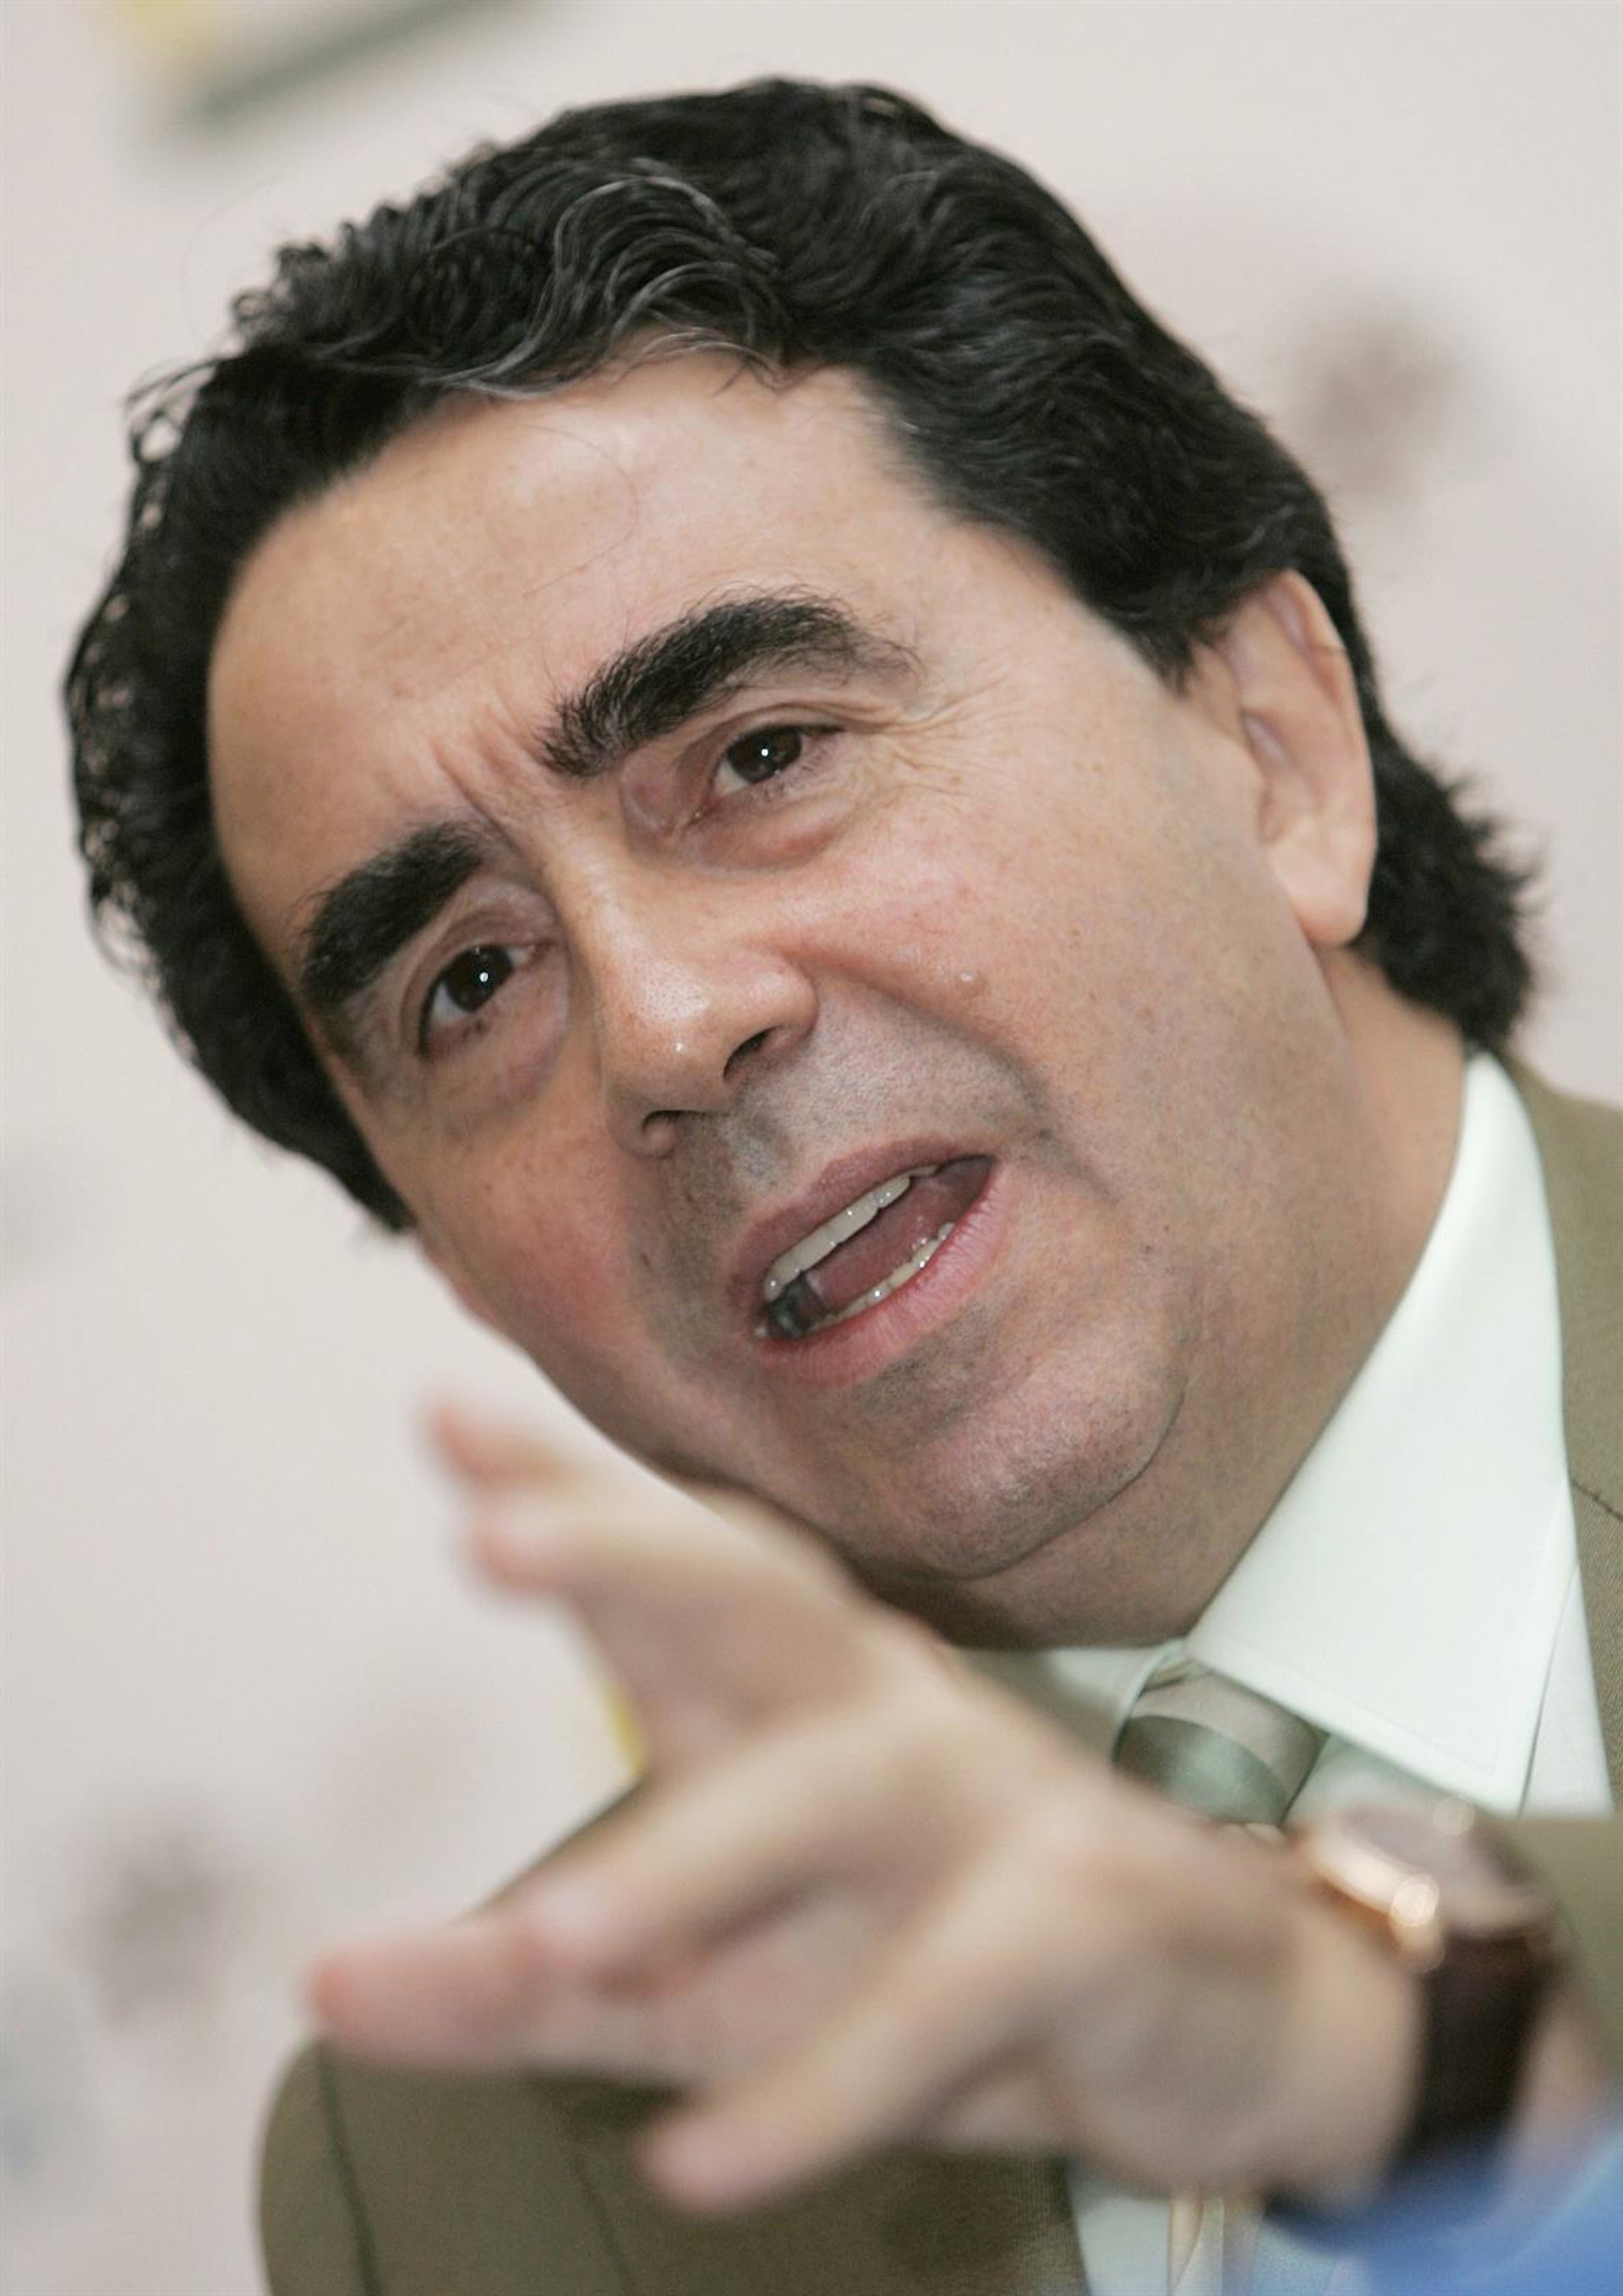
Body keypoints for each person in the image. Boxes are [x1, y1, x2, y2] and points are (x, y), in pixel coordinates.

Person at [65, 79, 1618, 2296]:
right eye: (471, 981)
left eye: (763, 755)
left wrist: (1384, 2043)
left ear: (1270, 743)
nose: (666, 1025)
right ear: (448, 1258)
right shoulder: (471, 2173)